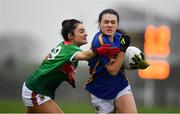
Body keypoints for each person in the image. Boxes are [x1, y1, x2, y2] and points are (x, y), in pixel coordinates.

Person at [21, 19, 121, 113]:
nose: (86, 34)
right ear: (70, 36)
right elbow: (85, 55)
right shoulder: (71, 50)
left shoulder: (64, 45)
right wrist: (99, 50)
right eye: (81, 31)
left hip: (36, 87)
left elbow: (47, 58)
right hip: (35, 91)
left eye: (85, 31)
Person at [85, 9, 149, 114]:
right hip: (100, 91)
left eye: (113, 22)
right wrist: (123, 50)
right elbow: (113, 70)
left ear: (117, 24)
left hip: (120, 85)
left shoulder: (120, 37)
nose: (109, 25)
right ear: (99, 23)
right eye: (106, 22)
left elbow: (125, 58)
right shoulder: (100, 41)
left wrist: (138, 62)